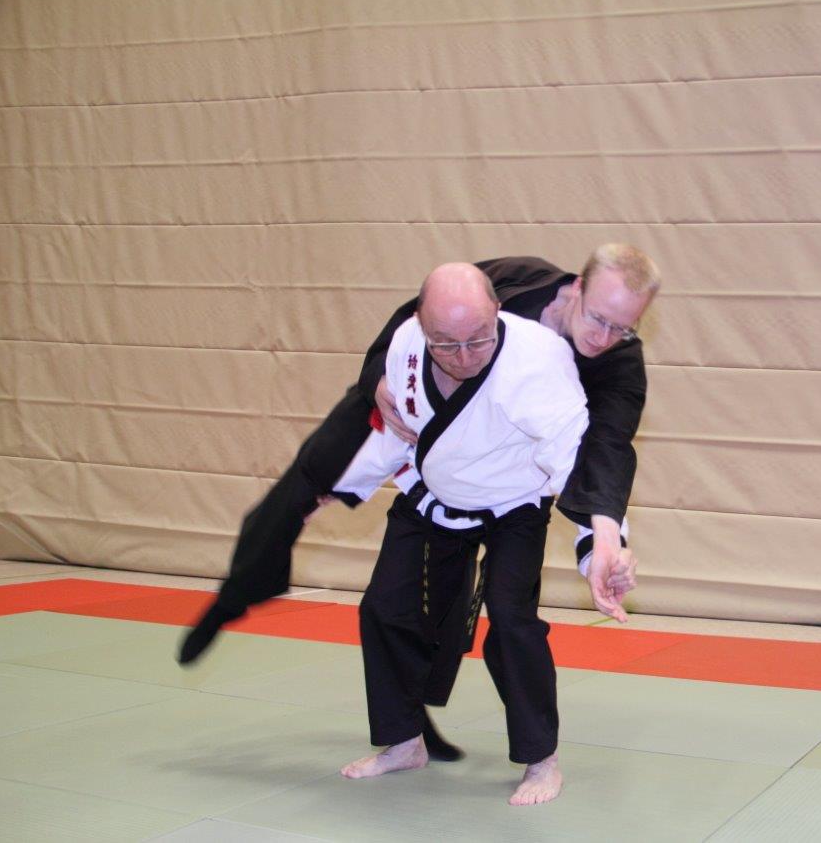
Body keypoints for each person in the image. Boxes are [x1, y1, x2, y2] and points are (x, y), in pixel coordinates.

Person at [178, 246, 660, 760]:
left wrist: (604, 539)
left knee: (498, 614)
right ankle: (236, 594)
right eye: (597, 319)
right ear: (577, 287)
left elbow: (601, 451)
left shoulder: (613, 367)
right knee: (312, 482)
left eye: (622, 328)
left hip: (516, 488)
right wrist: (378, 381)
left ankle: (507, 747)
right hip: (436, 458)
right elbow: (417, 316)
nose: (603, 338)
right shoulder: (514, 279)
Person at [335, 263, 584, 804]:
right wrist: (339, 485)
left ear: (498, 312)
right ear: (421, 324)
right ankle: (405, 742)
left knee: (511, 621)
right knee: (384, 607)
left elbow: (574, 454)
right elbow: (398, 427)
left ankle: (542, 759)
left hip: (515, 502)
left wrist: (603, 539)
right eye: (446, 344)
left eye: (479, 339)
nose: (465, 356)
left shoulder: (540, 357)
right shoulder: (405, 344)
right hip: (436, 493)